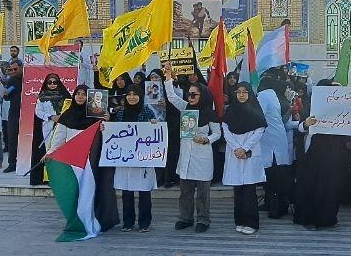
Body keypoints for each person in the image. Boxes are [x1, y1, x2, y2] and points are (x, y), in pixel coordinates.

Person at [294, 79, 351, 230]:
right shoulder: (311, 105)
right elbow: (301, 128)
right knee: (313, 187)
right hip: (314, 155)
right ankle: (310, 220)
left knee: (331, 187)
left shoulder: (341, 107)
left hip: (334, 154)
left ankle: (328, 218)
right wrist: (306, 124)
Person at [166, 77, 219, 232]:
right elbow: (171, 97)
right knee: (185, 192)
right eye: (189, 94)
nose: (191, 97)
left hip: (202, 156)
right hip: (186, 156)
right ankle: (185, 218)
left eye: (194, 94)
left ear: (202, 95)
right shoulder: (185, 108)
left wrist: (206, 139)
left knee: (203, 192)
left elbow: (217, 133)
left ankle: (203, 219)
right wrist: (168, 78)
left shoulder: (210, 113)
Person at [110, 86, 158, 232]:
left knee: (144, 191)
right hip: (125, 158)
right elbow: (114, 131)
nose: (132, 97)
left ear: (140, 96)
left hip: (143, 158)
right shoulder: (120, 113)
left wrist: (154, 124)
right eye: (129, 94)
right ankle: (128, 222)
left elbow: (155, 129)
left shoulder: (147, 111)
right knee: (127, 191)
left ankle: (144, 223)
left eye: (135, 94)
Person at [221, 82, 267, 235]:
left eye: (245, 92)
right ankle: (239, 220)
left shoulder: (256, 111)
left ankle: (251, 222)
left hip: (249, 152)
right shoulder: (230, 112)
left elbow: (259, 131)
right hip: (235, 153)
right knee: (238, 189)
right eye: (238, 92)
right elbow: (226, 130)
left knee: (249, 189)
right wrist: (236, 148)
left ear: (250, 94)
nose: (241, 95)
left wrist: (244, 148)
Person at [257, 70, 299, 219]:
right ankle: (273, 204)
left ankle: (277, 206)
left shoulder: (264, 95)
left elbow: (257, 116)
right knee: (276, 176)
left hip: (270, 143)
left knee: (274, 177)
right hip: (275, 141)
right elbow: (284, 123)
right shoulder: (276, 96)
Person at [2, 62, 22, 173]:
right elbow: (6, 96)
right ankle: (12, 163)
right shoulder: (12, 81)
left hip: (28, 114)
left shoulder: (29, 79)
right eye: (11, 70)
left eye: (15, 69)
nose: (13, 72)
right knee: (13, 139)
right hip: (14, 114)